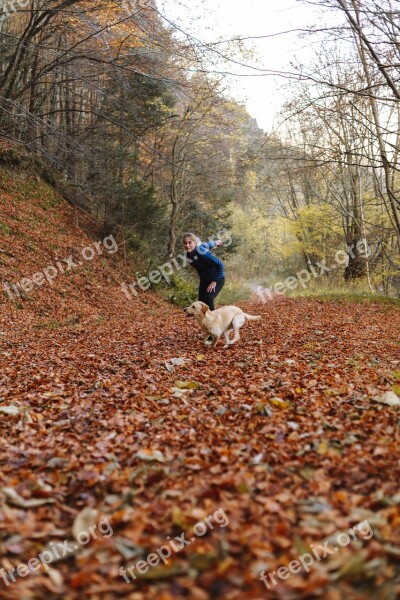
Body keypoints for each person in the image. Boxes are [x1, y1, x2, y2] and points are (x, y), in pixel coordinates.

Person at [183, 233, 225, 311]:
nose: (187, 245)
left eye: (190, 242)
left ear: (195, 243)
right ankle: (204, 322)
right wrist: (215, 242)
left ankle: (214, 320)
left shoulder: (200, 252)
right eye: (185, 243)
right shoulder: (187, 255)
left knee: (208, 299)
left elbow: (220, 265)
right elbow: (206, 245)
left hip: (217, 278)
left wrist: (214, 281)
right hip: (205, 280)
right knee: (200, 302)